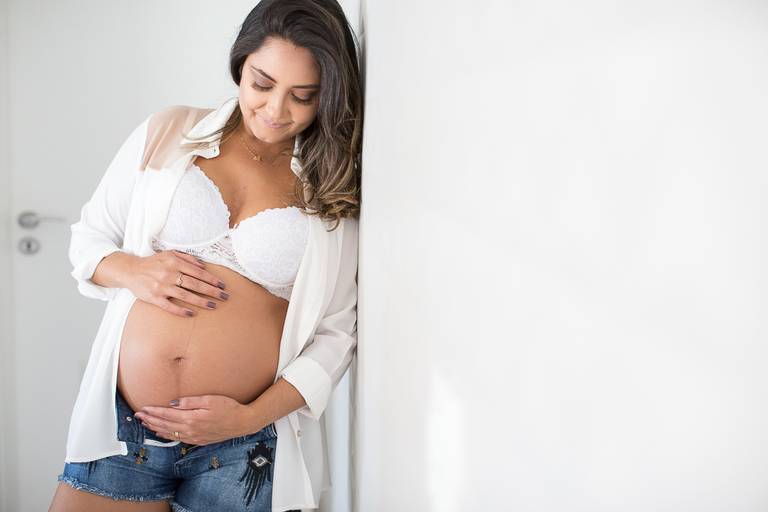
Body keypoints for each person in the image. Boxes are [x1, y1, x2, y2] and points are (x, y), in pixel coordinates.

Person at [48, 1, 362, 511]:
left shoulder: (331, 182)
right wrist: (135, 272)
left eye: (303, 96)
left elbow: (337, 332)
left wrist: (251, 416)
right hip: (126, 427)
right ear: (240, 64)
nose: (276, 110)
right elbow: (89, 239)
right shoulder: (171, 131)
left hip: (246, 445)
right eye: (262, 84)